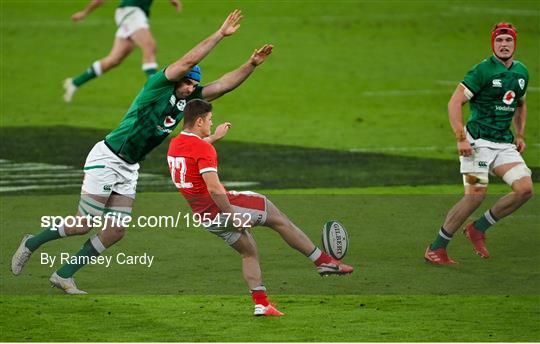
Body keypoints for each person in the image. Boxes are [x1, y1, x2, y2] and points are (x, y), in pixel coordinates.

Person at [12, 10, 275, 294]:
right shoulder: (157, 86)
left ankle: (64, 274)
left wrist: (251, 64)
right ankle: (32, 242)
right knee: (83, 224)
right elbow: (189, 60)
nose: (190, 88)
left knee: (115, 231)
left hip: (129, 166)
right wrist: (220, 35)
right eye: (187, 82)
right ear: (176, 79)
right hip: (108, 158)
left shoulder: (188, 102)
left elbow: (224, 85)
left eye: (194, 85)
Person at [167, 99, 354, 316]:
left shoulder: (175, 145)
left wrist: (213, 137)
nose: (211, 123)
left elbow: (194, 150)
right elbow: (215, 188)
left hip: (205, 217)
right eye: (210, 120)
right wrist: (233, 216)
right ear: (199, 121)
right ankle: (323, 262)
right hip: (223, 208)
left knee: (249, 251)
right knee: (277, 217)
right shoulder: (203, 149)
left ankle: (261, 303)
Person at [425, 23, 533, 265]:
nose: (503, 44)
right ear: (492, 44)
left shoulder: (522, 72)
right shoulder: (482, 71)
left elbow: (520, 103)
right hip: (477, 144)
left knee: (525, 189)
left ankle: (479, 228)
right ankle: (436, 247)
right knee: (475, 195)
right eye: (499, 41)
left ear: (515, 43)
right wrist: (461, 137)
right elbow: (454, 102)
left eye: (508, 40)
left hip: (503, 145)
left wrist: (520, 134)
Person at [63, 0, 182, 103]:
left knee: (114, 59)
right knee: (149, 46)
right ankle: (156, 93)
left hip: (132, 13)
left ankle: (74, 83)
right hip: (131, 11)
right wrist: (84, 12)